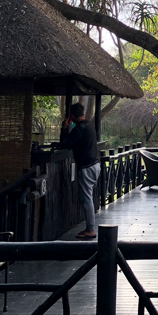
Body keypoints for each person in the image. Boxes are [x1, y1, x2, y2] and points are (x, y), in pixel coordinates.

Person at [60, 102, 100, 240]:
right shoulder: (89, 125)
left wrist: (65, 128)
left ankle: (90, 229)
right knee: (89, 197)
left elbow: (64, 143)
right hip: (95, 165)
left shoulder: (78, 130)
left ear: (71, 116)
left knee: (86, 199)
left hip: (86, 167)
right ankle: (90, 226)